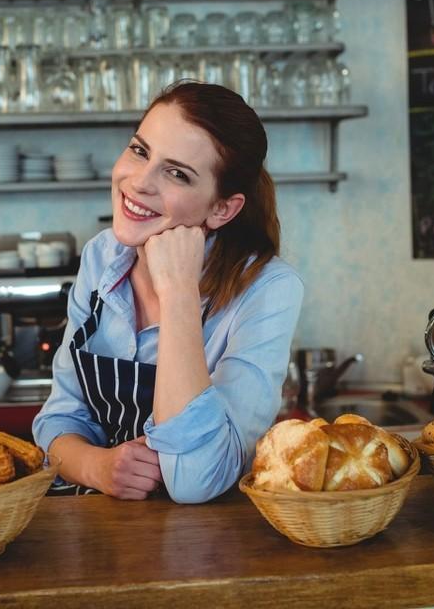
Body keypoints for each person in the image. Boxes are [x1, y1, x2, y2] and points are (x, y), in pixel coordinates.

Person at [32, 81, 304, 503]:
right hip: (98, 534)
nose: (139, 182)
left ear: (222, 209)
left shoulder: (269, 289)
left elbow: (198, 479)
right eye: (140, 151)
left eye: (177, 173)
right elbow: (59, 419)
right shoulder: (101, 257)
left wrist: (178, 291)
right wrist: (99, 467)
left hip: (210, 550)